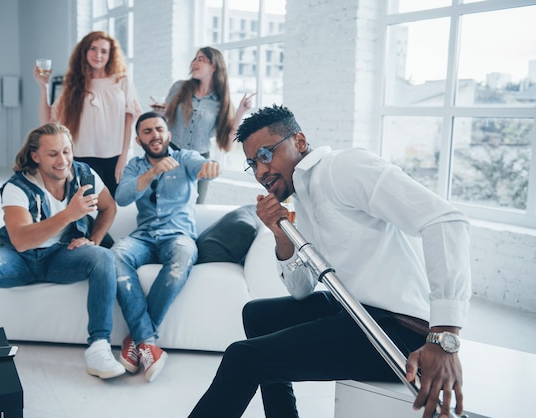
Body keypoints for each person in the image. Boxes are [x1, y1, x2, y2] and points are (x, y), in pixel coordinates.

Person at [188, 105, 472, 418]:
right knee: (257, 315)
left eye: (266, 155)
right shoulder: (304, 198)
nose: (260, 172)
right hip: (352, 310)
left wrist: (444, 338)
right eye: (252, 164)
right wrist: (281, 235)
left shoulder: (343, 168)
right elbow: (301, 291)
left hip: (398, 328)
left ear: (298, 141)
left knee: (242, 358)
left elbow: (445, 220)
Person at [0, 123, 126, 380]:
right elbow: (20, 240)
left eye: (66, 151)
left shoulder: (84, 175)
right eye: (53, 154)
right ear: (36, 156)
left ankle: (99, 348)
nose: (62, 160)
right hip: (17, 258)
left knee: (103, 257)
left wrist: (94, 239)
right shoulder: (17, 187)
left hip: (61, 257)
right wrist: (68, 214)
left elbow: (109, 207)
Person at [112, 111, 221, 382]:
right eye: (147, 131)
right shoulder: (135, 167)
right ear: (139, 140)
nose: (155, 135)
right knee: (114, 256)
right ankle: (148, 343)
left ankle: (138, 340)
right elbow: (122, 197)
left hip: (178, 236)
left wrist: (210, 167)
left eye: (159, 129)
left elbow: (201, 165)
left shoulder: (185, 157)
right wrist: (151, 173)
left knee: (184, 253)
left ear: (169, 135)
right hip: (144, 237)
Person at [34, 30, 142, 197]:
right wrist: (44, 87)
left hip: (114, 157)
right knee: (86, 209)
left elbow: (129, 120)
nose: (98, 55)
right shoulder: (74, 85)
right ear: (84, 52)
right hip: (81, 158)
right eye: (93, 48)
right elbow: (48, 121)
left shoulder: (122, 81)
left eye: (104, 51)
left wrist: (123, 157)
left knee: (110, 209)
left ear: (110, 55)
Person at [154, 46, 255, 203]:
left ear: (213, 67)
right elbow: (164, 117)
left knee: (196, 207)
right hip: (172, 155)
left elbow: (227, 141)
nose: (194, 62)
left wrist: (241, 112)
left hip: (201, 160)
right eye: (195, 58)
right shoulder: (179, 88)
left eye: (201, 59)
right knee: (166, 203)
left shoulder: (221, 101)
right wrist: (159, 113)